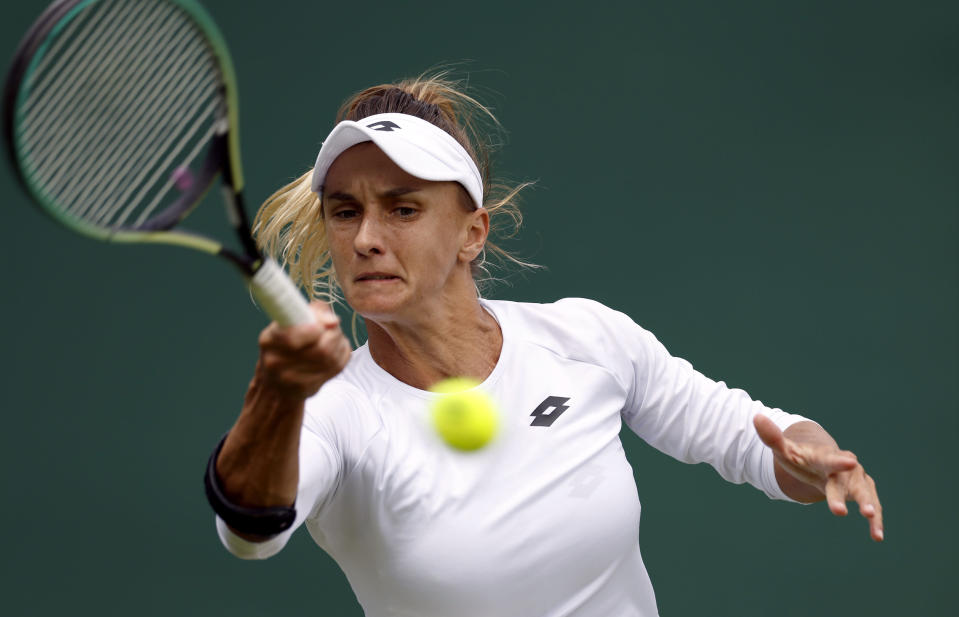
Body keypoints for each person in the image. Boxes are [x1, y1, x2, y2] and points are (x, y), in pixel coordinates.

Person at [204, 74, 883, 617]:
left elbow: (754, 439)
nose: (365, 238)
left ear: (473, 232)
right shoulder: (335, 413)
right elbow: (249, 532)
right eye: (345, 211)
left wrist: (816, 459)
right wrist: (278, 390)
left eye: (402, 208)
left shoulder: (584, 338)